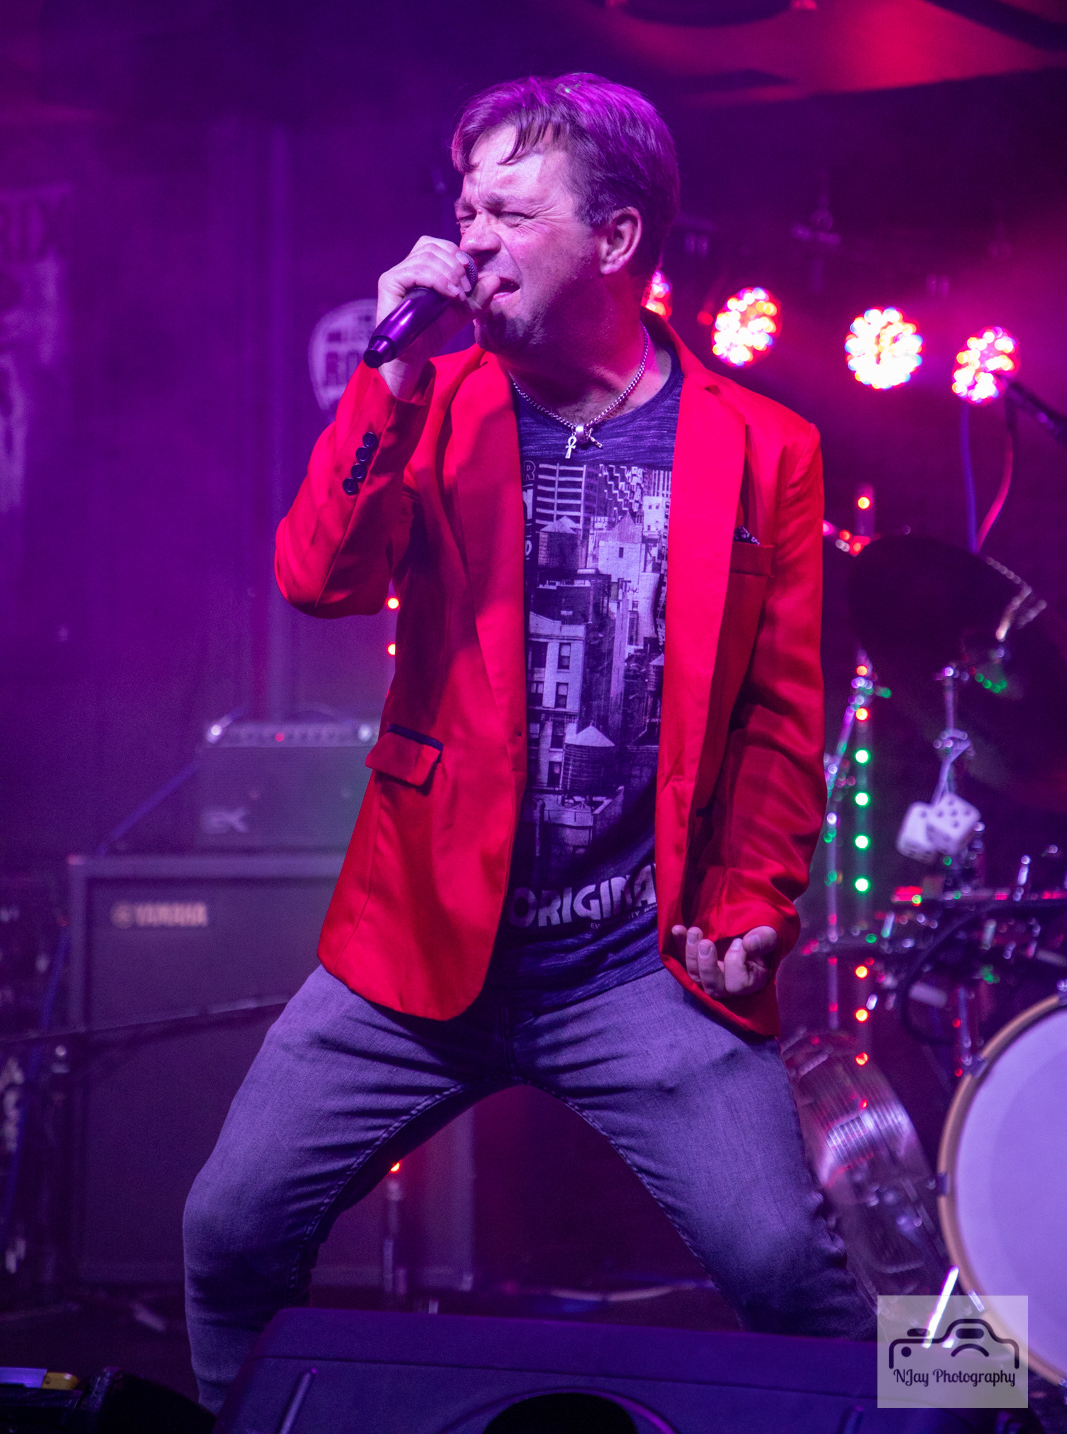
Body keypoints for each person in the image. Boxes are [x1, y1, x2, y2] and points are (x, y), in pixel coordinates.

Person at [184, 72, 873, 1412]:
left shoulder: (766, 447)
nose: (474, 239)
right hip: (417, 952)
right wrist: (387, 375)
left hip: (636, 969)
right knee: (228, 1229)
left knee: (790, 1268)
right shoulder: (431, 400)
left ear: (614, 239)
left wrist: (754, 904)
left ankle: (961, 1406)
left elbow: (782, 720)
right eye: (466, 210)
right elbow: (317, 577)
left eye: (510, 212)